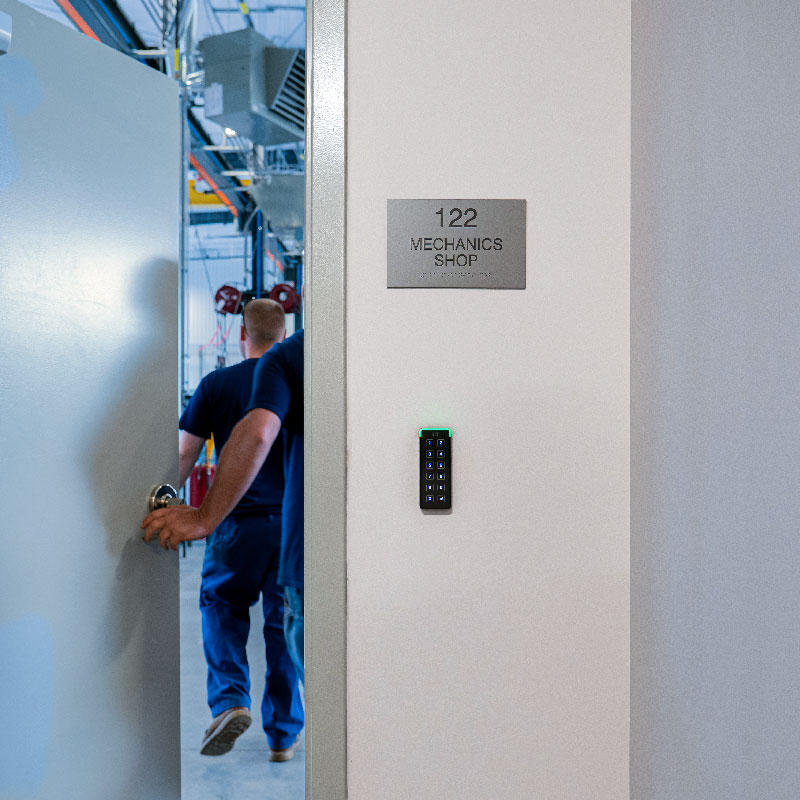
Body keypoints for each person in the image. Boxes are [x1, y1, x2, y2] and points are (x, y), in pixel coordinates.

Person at [142, 325, 306, 735]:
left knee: (221, 603)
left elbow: (186, 451)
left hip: (235, 523)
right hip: (288, 527)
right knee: (280, 624)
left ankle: (230, 699)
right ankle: (283, 733)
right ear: (282, 328)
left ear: (242, 334)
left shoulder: (217, 383)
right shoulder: (312, 358)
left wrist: (164, 506)